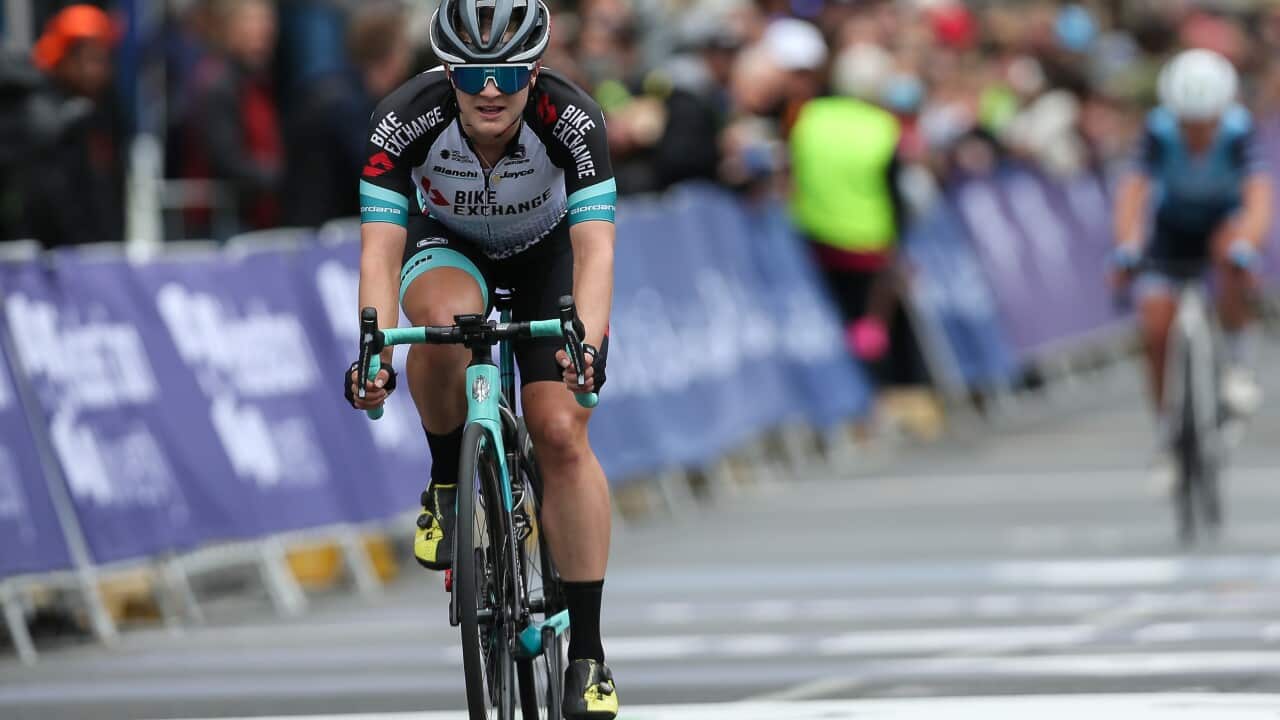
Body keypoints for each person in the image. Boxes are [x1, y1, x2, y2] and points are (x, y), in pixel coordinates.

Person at [344, 0, 620, 716]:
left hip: (548, 256)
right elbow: (379, 251)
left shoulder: (574, 118)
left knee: (560, 432)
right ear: (447, 73)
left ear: (535, 71)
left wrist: (587, 346)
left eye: (507, 73)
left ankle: (588, 655)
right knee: (445, 324)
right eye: (471, 73)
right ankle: (446, 483)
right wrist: (372, 349)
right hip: (448, 244)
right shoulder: (403, 119)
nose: (490, 90)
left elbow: (595, 250)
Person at [1111, 49, 1271, 457]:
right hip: (1172, 227)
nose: (1197, 133)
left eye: (1206, 124)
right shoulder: (1158, 129)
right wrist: (1127, 245)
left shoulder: (1238, 130)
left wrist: (1248, 243)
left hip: (1222, 220)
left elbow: (1258, 194)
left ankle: (1237, 363)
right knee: (1155, 325)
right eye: (1188, 124)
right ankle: (1166, 430)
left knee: (1230, 256)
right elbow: (1134, 189)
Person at [282, 1, 412, 226]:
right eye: (404, 47)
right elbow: (375, 171)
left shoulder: (343, 91)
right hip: (325, 231)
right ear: (391, 54)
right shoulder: (345, 105)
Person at [20, 4, 124, 249]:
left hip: (100, 253)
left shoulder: (105, 110)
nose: (100, 70)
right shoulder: (40, 111)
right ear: (65, 59)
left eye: (104, 59)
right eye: (92, 59)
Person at [179, 0, 282, 237]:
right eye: (252, 23)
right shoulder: (217, 83)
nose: (263, 32)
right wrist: (280, 176)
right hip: (224, 220)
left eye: (267, 24)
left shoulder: (259, 81)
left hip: (255, 215)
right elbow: (226, 159)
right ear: (229, 29)